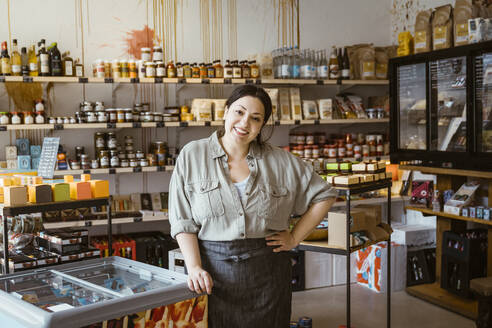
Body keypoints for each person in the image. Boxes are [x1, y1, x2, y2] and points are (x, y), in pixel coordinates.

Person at [169, 85, 336, 327]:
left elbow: (325, 195)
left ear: (262, 126)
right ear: (226, 112)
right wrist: (194, 267)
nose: (245, 123)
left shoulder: (281, 161)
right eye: (239, 112)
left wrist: (294, 238)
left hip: (268, 276)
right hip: (212, 273)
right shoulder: (192, 155)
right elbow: (182, 219)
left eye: (255, 118)